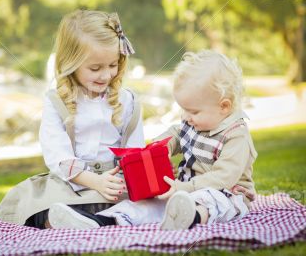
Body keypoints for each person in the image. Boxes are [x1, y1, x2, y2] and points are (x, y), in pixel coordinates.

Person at [54, 50, 257, 230]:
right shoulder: (196, 123)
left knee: (211, 201)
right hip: (184, 190)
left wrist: (184, 189)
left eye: (193, 111)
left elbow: (223, 178)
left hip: (229, 194)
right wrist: (162, 148)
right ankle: (100, 221)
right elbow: (176, 134)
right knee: (146, 204)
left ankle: (191, 218)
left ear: (224, 106)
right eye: (184, 109)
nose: (186, 116)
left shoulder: (235, 135)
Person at [0, 10, 145, 229]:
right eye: (95, 68)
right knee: (41, 204)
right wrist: (94, 181)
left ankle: (95, 220)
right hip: (74, 181)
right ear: (71, 63)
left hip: (115, 181)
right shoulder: (56, 101)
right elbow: (58, 155)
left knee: (146, 203)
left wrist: (141, 174)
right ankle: (68, 220)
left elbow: (135, 149)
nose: (106, 75)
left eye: (113, 65)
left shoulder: (128, 101)